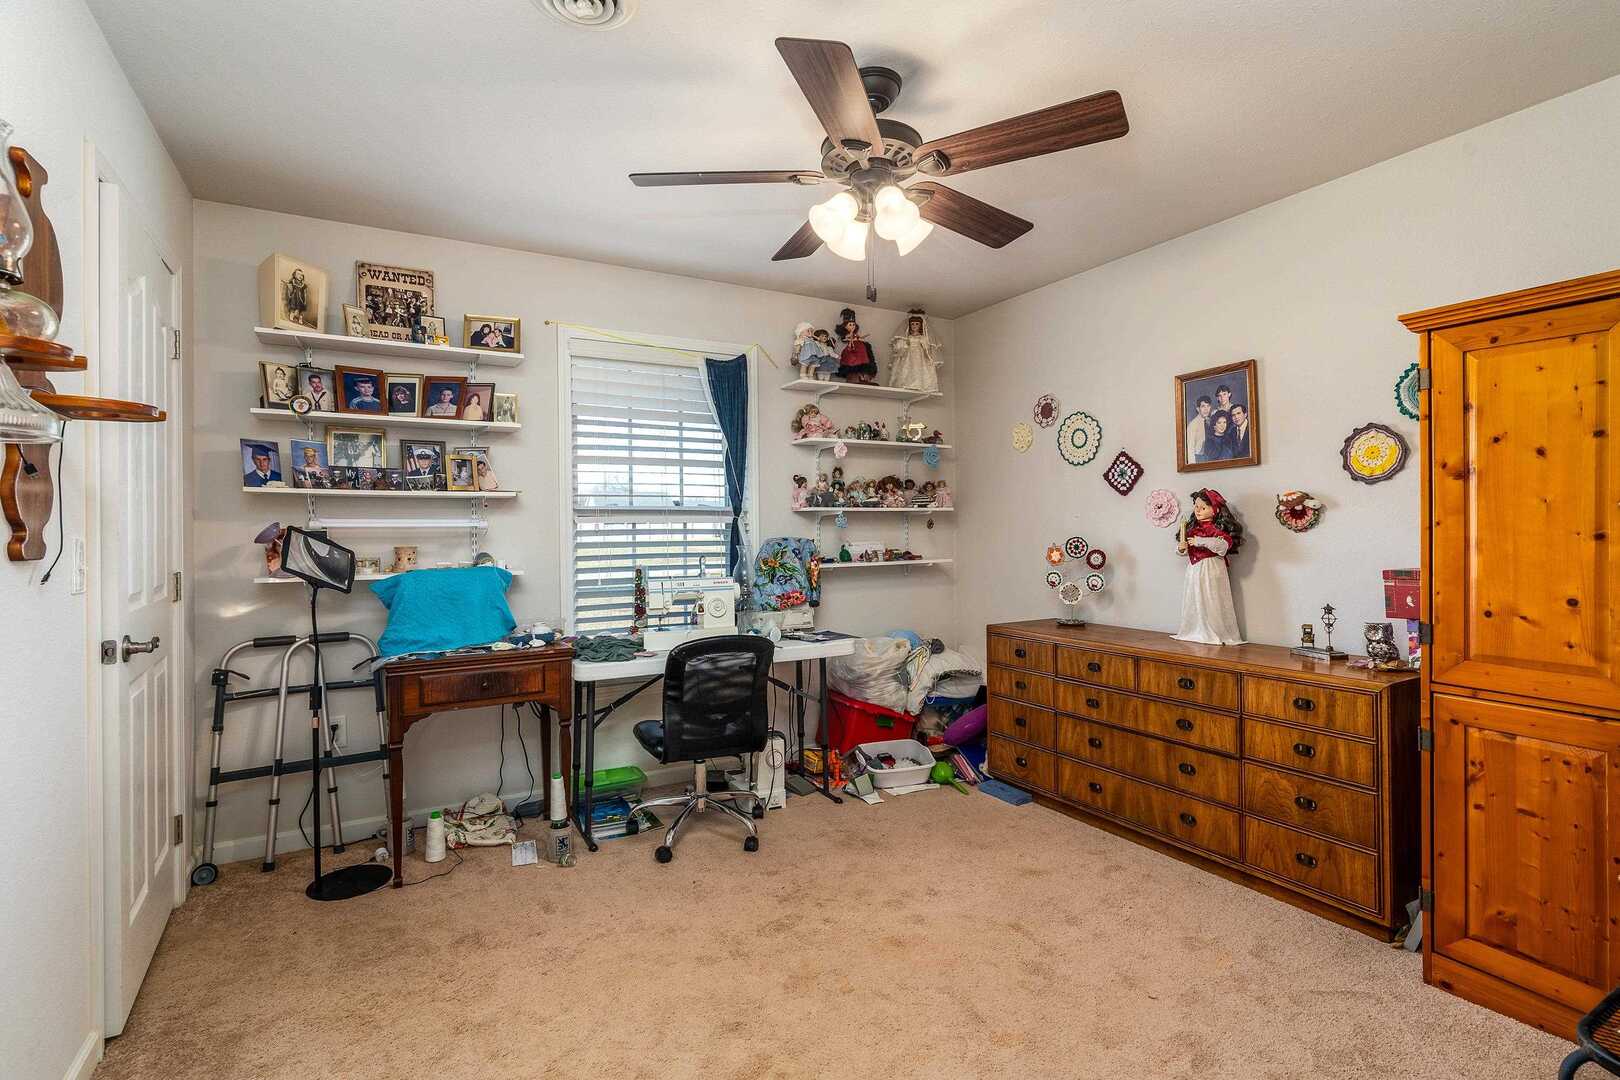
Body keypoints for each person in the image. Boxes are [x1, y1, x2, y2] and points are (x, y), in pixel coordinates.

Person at [1173, 488, 1245, 645]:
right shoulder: (1192, 529)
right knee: (1194, 596)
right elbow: (1183, 551)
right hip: (1194, 568)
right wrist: (1182, 548)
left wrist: (1200, 541)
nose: (1198, 510)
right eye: (1196, 507)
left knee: (1212, 596)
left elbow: (1223, 546)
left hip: (1211, 567)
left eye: (1203, 508)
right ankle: (1196, 628)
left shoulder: (1216, 530)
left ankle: (1213, 630)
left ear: (1215, 510)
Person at [888, 308, 943, 392]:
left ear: (921, 325)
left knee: (919, 369)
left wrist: (924, 344)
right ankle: (906, 383)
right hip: (908, 356)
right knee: (906, 368)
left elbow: (928, 349)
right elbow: (899, 349)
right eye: (912, 324)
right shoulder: (907, 337)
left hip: (919, 357)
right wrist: (905, 344)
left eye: (917, 324)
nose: (914, 326)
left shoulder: (923, 337)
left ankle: (919, 384)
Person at [1184, 395, 1211, 462]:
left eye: (1208, 406)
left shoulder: (1210, 421)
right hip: (1199, 458)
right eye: (1203, 406)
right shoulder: (1193, 425)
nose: (1206, 409)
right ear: (1198, 409)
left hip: (1210, 457)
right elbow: (1189, 449)